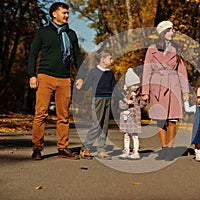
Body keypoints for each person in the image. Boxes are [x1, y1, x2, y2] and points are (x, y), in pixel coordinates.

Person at [28, 2, 83, 160]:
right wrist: (32, 75)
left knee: (63, 116)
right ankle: (37, 147)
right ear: (54, 14)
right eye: (64, 13)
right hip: (44, 77)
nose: (67, 15)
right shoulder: (43, 32)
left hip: (65, 79)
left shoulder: (71, 34)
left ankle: (62, 148)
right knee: (41, 114)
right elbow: (32, 54)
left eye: (67, 13)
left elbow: (77, 56)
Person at [142, 20, 189, 161]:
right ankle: (163, 149)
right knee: (160, 120)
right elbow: (146, 70)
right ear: (162, 33)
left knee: (172, 120)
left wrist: (185, 90)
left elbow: (182, 71)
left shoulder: (177, 49)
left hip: (173, 85)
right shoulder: (152, 50)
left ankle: (170, 149)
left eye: (172, 30)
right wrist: (145, 91)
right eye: (169, 30)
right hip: (157, 87)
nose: (172, 33)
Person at [78, 47, 126, 160]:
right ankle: (86, 148)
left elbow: (114, 88)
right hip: (98, 100)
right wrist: (81, 86)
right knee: (97, 124)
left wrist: (124, 98)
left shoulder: (110, 74)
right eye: (110, 58)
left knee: (104, 126)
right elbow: (87, 85)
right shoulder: (94, 72)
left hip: (107, 100)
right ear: (103, 59)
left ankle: (102, 150)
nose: (112, 60)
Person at [118, 68, 147, 160]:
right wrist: (127, 102)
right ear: (129, 85)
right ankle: (126, 150)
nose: (136, 87)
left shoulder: (138, 95)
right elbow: (121, 105)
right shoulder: (124, 95)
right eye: (133, 85)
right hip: (126, 119)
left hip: (135, 119)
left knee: (135, 135)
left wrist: (144, 101)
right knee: (126, 135)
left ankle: (136, 151)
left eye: (137, 84)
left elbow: (141, 105)